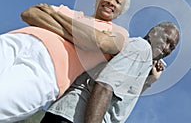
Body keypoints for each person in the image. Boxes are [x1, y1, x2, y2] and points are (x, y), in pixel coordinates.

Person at [0, 0, 131, 122]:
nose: (111, 2)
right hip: (16, 41)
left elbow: (100, 42)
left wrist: (54, 15)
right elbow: (30, 13)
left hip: (48, 70)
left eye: (118, 2)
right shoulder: (69, 11)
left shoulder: (119, 33)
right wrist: (80, 39)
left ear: (119, 12)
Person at [40, 21, 180, 123]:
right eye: (166, 40)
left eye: (171, 48)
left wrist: (149, 81)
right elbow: (104, 86)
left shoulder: (142, 58)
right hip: (72, 118)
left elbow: (121, 99)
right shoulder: (142, 49)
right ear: (153, 32)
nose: (166, 48)